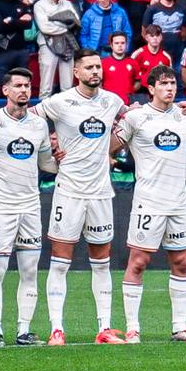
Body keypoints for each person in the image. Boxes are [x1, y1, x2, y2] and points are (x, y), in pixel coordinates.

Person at [40, 52, 126, 345]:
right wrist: (47, 150)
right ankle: (56, 329)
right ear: (76, 71)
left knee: (102, 263)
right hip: (70, 191)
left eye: (98, 67)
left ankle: (104, 328)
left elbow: (134, 115)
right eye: (88, 67)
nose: (95, 71)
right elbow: (27, 119)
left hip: (101, 192)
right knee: (60, 263)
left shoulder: (112, 101)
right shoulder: (59, 102)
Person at [115, 67, 186, 342]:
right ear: (151, 88)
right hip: (148, 202)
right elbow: (107, 148)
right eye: (164, 84)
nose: (170, 88)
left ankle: (179, 327)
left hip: (178, 203)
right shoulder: (136, 117)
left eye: (173, 83)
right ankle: (132, 328)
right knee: (139, 262)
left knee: (182, 262)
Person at [0, 69, 51, 346]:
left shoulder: (39, 124)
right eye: (17, 85)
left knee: (30, 271)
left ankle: (23, 330)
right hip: (1, 206)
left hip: (30, 205)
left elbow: (45, 163)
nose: (23, 90)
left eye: (27, 86)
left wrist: (64, 161)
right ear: (5, 90)